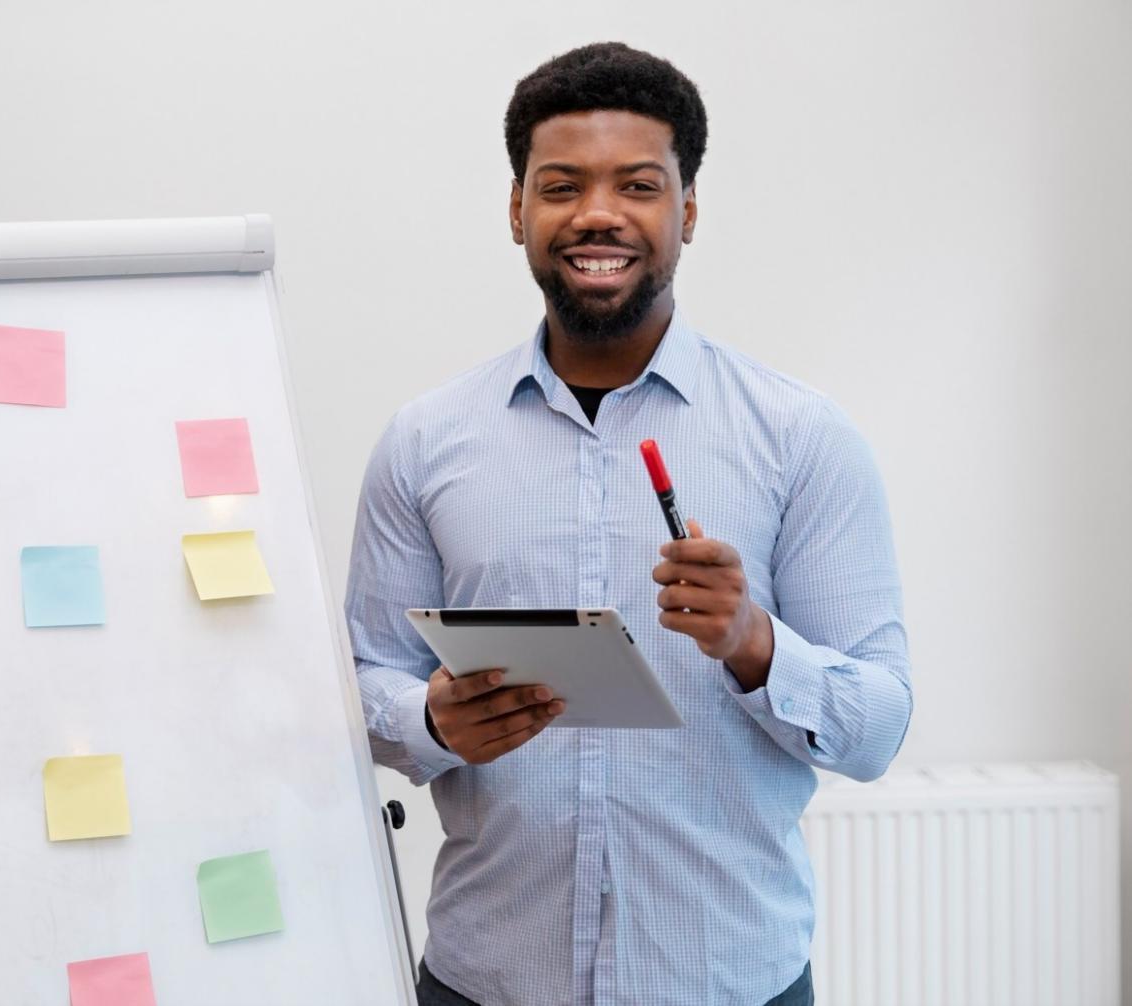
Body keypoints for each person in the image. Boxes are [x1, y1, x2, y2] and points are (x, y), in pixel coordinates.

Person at [345, 42, 912, 1006]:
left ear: (686, 212)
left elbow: (877, 725)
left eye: (638, 185)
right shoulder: (423, 442)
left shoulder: (802, 438)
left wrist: (754, 644)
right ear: (517, 211)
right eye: (560, 185)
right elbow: (360, 684)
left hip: (729, 980)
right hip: (486, 981)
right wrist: (429, 720)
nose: (597, 214)